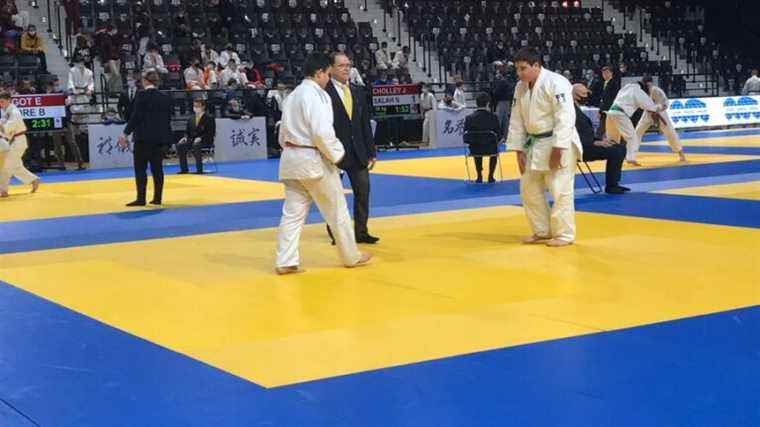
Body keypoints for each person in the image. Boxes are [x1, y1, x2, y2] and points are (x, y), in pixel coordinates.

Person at [274, 53, 371, 275]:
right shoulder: (316, 95)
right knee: (337, 209)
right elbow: (321, 131)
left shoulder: (293, 96)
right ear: (319, 73)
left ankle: (285, 260)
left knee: (292, 214)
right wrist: (338, 155)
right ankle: (351, 256)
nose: (328, 78)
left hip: (291, 160)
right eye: (327, 74)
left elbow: (282, 133)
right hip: (313, 160)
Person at [506, 47, 582, 247]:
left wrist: (559, 149)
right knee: (528, 189)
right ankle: (542, 231)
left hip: (558, 142)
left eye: (523, 68)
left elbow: (565, 117)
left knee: (560, 189)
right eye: (517, 69)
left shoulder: (556, 83)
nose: (519, 73)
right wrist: (518, 149)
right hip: (534, 143)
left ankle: (564, 234)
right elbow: (516, 119)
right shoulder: (520, 87)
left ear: (537, 65)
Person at [325, 51, 379, 244]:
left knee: (363, 192)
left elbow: (365, 123)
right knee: (334, 197)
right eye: (341, 65)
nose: (346, 69)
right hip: (334, 153)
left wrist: (371, 151)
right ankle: (337, 234)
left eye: (348, 65)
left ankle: (361, 231)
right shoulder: (324, 92)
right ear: (330, 69)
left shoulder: (357, 90)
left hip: (358, 151)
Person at [118, 70, 173, 206]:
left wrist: (125, 133)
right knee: (157, 169)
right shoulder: (164, 97)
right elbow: (167, 120)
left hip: (143, 138)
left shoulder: (141, 95)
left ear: (146, 81)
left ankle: (141, 198)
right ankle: (157, 198)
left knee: (140, 169)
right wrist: (167, 139)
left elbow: (136, 117)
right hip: (159, 139)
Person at [572, 84, 627, 194]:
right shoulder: (570, 111)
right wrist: (595, 142)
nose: (586, 96)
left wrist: (600, 140)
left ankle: (613, 184)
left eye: (586, 93)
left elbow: (586, 132)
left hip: (588, 143)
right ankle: (611, 186)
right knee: (616, 151)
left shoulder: (576, 107)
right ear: (574, 95)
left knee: (619, 147)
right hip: (581, 148)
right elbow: (573, 134)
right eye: (583, 94)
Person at [605, 82, 665, 167]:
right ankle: (631, 158)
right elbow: (649, 106)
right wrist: (659, 107)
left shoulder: (624, 89)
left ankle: (610, 157)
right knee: (632, 138)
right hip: (620, 114)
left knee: (613, 139)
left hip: (611, 113)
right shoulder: (638, 91)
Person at [634, 76, 686, 163]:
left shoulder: (657, 91)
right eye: (645, 85)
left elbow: (665, 104)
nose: (647, 87)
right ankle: (631, 153)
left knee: (670, 132)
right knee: (638, 131)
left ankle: (681, 153)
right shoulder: (641, 91)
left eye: (648, 85)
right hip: (647, 113)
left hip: (660, 113)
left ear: (651, 83)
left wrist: (658, 108)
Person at [0, 91, 40, 197]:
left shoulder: (14, 112)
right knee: (16, 167)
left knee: (6, 166)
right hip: (12, 141)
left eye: (2, 101)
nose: (1, 104)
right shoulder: (5, 111)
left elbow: (7, 128)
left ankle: (3, 190)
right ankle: (34, 180)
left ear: (9, 100)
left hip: (18, 141)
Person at [464, 92, 501, 183]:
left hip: (475, 149)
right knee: (494, 147)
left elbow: (466, 136)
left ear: (476, 103)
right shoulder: (493, 117)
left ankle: (479, 176)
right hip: (491, 148)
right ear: (488, 103)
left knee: (476, 143)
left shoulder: (469, 118)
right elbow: (499, 135)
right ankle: (491, 176)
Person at [177, 98, 215, 174]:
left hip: (205, 139)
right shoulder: (191, 118)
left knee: (196, 145)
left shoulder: (209, 117)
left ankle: (199, 170)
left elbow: (211, 132)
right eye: (195, 106)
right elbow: (187, 131)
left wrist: (200, 138)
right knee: (180, 145)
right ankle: (184, 169)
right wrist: (185, 137)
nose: (196, 108)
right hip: (191, 139)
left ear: (203, 107)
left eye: (198, 106)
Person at [597, 65, 619, 138]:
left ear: (611, 73)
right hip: (605, 108)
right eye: (603, 73)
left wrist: (601, 110)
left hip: (609, 108)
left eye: (607, 73)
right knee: (603, 127)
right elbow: (603, 98)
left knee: (604, 127)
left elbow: (609, 99)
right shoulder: (605, 83)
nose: (605, 75)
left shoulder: (614, 83)